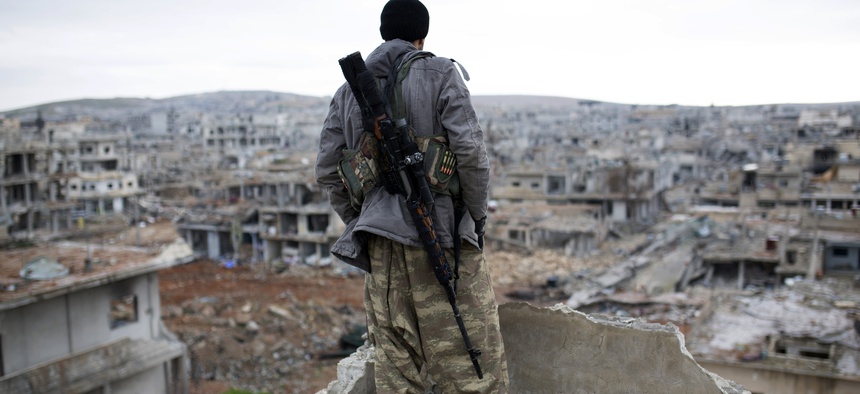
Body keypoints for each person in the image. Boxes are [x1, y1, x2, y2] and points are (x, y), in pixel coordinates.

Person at [315, 0, 509, 392]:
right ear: (422, 36)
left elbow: (328, 171)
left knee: (397, 376)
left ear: (384, 32)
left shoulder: (347, 92)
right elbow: (471, 156)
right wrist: (475, 220)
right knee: (472, 371)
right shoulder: (440, 73)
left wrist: (364, 219)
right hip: (444, 240)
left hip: (383, 252)